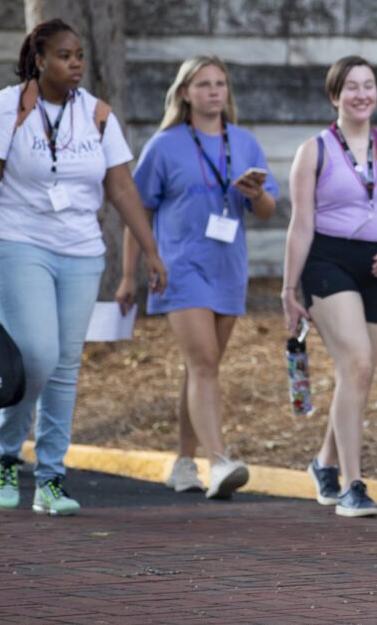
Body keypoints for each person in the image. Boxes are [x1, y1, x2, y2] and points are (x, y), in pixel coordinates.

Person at [0, 19, 167, 516]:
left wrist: (151, 251)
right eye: (65, 56)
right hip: (19, 242)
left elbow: (121, 188)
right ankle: (6, 455)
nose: (76, 64)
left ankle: (51, 477)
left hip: (81, 250)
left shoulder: (96, 115)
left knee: (67, 364)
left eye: (80, 56)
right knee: (38, 355)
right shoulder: (9, 108)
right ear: (40, 60)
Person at [116, 55, 278, 500]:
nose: (214, 91)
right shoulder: (164, 145)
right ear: (184, 92)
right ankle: (219, 461)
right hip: (179, 268)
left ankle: (183, 462)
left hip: (228, 268)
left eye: (220, 83)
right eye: (204, 84)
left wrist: (257, 193)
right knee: (204, 361)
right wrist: (130, 275)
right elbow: (139, 212)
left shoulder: (243, 142)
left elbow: (267, 211)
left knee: (202, 367)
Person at [282, 55, 377, 518]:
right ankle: (353, 485)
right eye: (351, 87)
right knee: (355, 363)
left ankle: (323, 463)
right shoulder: (314, 150)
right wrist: (288, 291)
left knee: (358, 375)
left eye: (369, 85)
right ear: (334, 96)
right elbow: (299, 226)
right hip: (328, 260)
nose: (362, 94)